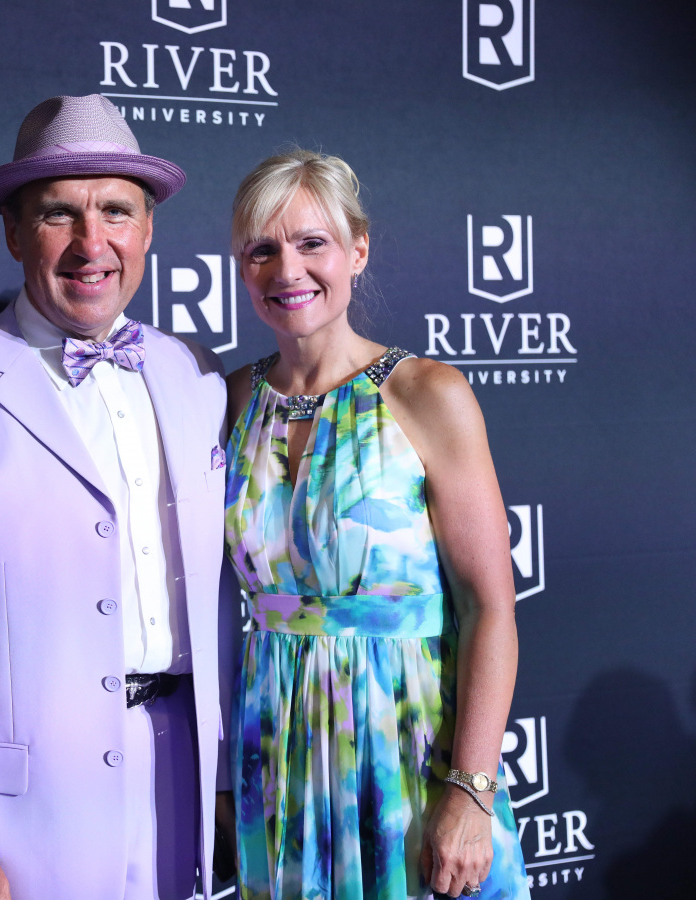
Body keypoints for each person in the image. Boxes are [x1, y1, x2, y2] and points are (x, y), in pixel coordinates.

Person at [0, 94, 230, 899]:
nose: (92, 243)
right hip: (22, 824)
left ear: (149, 228)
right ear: (14, 231)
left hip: (187, 786)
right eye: (60, 214)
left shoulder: (195, 374)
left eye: (116, 212)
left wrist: (228, 779)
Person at [222, 149, 531, 899]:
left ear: (357, 250)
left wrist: (471, 790)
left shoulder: (427, 393)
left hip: (412, 754)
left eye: (312, 243)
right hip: (277, 760)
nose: (287, 270)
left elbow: (489, 607)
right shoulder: (229, 400)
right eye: (262, 250)